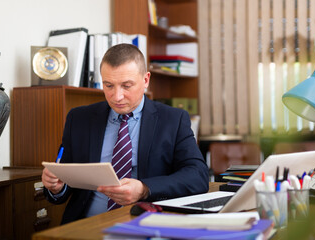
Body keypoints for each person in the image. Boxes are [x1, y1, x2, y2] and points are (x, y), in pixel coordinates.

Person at [42, 43, 209, 224]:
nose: (117, 96)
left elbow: (197, 176)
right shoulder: (79, 118)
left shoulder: (173, 120)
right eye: (109, 85)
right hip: (86, 224)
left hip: (145, 224)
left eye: (126, 86)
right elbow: (64, 179)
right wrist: (56, 187)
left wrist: (145, 189)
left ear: (146, 80)